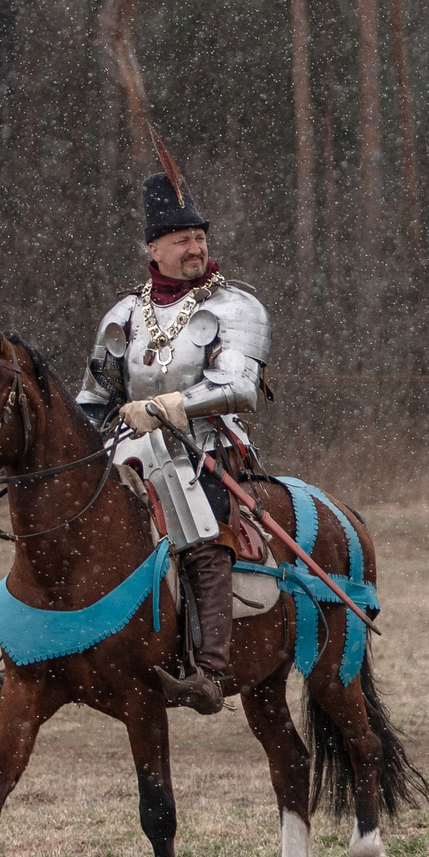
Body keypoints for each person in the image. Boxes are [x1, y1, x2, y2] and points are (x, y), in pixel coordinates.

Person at [76, 165, 271, 713]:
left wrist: (171, 405)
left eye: (199, 238)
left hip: (205, 449)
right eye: (182, 239)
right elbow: (95, 396)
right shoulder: (124, 314)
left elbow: (240, 387)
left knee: (201, 533)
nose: (195, 248)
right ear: (154, 249)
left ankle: (210, 669)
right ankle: (48, 651)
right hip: (126, 449)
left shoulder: (235, 306)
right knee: (67, 518)